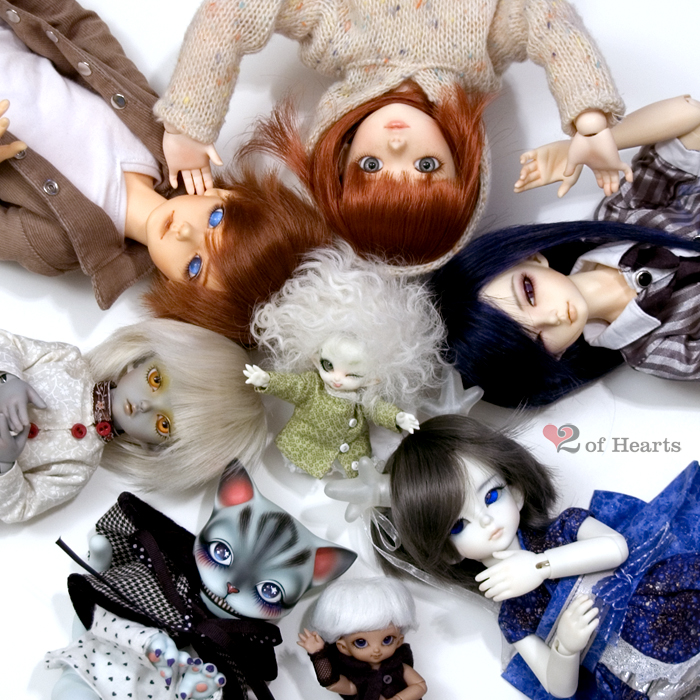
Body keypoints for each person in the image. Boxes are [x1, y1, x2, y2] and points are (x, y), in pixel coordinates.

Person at [155, 0, 627, 272]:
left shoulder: (336, 35)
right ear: (463, 160)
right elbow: (549, 23)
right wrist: (588, 116)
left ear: (342, 158)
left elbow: (233, 13)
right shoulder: (486, 43)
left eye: (371, 165)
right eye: (427, 166)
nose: (397, 145)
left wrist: (190, 123)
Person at [0, 0, 330, 343]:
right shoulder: (160, 133)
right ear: (227, 195)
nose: (184, 231)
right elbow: (81, 32)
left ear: (176, 289)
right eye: (215, 219)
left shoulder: (60, 245)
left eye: (194, 267)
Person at [375, 414, 700, 699]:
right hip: (628, 678)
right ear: (447, 553)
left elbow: (615, 548)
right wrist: (565, 648)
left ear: (516, 492)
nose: (486, 520)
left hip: (667, 613)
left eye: (491, 495)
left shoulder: (564, 530)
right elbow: (559, 688)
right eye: (458, 525)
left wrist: (540, 565)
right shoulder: (513, 615)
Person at [433, 97, 700, 407]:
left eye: (529, 292)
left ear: (533, 258)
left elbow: (692, 118)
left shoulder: (620, 217)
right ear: (555, 357)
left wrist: (589, 146)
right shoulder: (654, 351)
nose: (553, 316)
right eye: (538, 341)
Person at [45, 462, 357, 700]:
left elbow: (250, 677)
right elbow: (105, 604)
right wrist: (100, 564)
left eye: (269, 589)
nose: (233, 586)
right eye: (222, 552)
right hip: (109, 662)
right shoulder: (160, 578)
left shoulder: (241, 642)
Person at [0, 319, 266, 523]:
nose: (145, 405)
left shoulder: (79, 467)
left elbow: (20, 505)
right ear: (139, 361)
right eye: (156, 380)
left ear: (156, 447)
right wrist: (7, 378)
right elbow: (9, 344)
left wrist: (5, 466)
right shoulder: (68, 362)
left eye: (163, 424)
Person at [243, 243, 446, 478]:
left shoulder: (364, 398)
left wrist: (397, 418)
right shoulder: (312, 385)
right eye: (328, 365)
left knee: (361, 470)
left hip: (351, 453)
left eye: (353, 374)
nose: (337, 379)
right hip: (306, 444)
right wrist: (267, 380)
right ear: (314, 355)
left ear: (375, 378)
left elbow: (377, 409)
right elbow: (293, 386)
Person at [297, 577, 427, 700]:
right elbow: (332, 683)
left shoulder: (398, 667)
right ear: (343, 647)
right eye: (361, 642)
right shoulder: (356, 676)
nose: (376, 649)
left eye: (387, 640)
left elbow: (420, 685)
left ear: (399, 641)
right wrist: (319, 655)